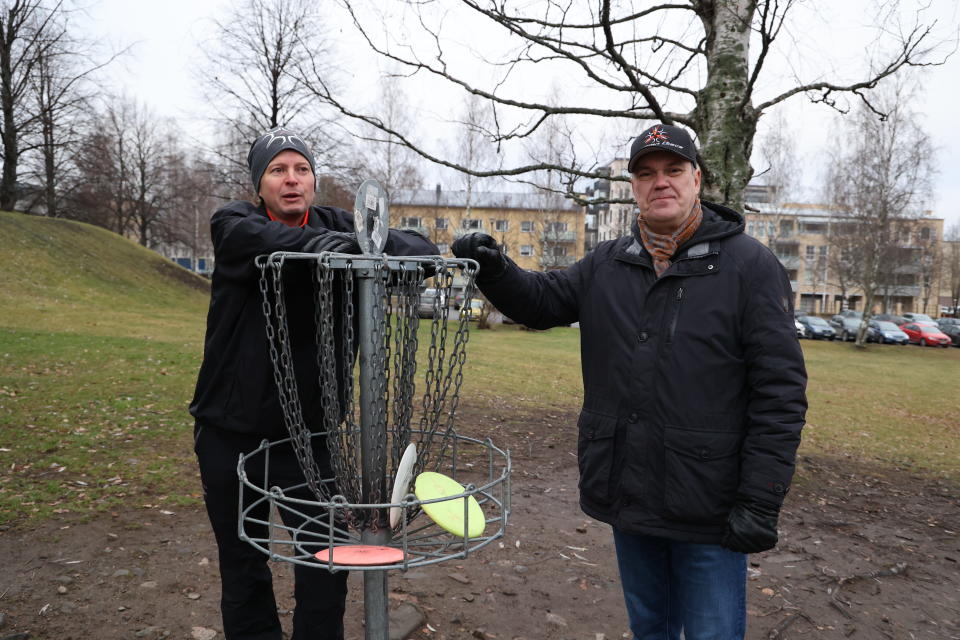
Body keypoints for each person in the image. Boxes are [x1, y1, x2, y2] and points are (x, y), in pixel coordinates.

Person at [452, 124, 807, 640]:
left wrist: (760, 499)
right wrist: (494, 268)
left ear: (697, 179)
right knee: (650, 629)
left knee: (713, 633)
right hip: (631, 489)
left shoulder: (748, 267)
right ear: (634, 187)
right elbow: (543, 300)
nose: (659, 182)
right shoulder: (608, 262)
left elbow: (780, 392)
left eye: (673, 170)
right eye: (646, 173)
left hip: (710, 502)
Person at [190, 128, 437, 640]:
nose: (291, 179)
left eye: (300, 169)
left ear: (313, 178)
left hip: (312, 438)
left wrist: (355, 244)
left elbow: (421, 248)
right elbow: (258, 242)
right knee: (243, 563)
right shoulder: (235, 221)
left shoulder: (338, 223)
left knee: (326, 561)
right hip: (231, 431)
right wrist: (333, 247)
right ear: (259, 184)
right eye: (277, 170)